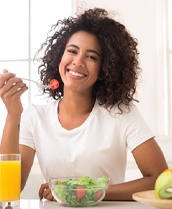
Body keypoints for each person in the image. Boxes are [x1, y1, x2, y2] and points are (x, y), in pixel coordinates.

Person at [0, 8, 168, 201]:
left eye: (91, 57)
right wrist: (13, 114)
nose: (78, 61)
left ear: (105, 68)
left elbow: (158, 179)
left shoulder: (120, 112)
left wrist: (87, 192)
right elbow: (8, 188)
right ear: (60, 57)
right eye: (72, 51)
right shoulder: (35, 117)